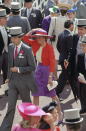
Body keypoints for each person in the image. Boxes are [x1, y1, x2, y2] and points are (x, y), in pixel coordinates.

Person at [0, 27, 37, 131]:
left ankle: (29, 126)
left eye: (15, 38)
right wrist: (7, 77)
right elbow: (9, 65)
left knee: (26, 106)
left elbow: (33, 67)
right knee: (10, 106)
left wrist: (19, 69)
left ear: (20, 37)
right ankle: (5, 128)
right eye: (11, 38)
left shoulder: (27, 49)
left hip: (25, 83)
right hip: (12, 82)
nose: (13, 40)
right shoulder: (11, 47)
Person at [22, 28, 61, 108]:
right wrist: (33, 30)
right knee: (35, 93)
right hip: (38, 70)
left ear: (45, 38)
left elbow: (52, 63)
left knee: (52, 94)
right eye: (37, 37)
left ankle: (59, 113)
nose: (38, 39)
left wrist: (50, 76)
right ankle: (36, 114)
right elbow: (25, 38)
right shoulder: (35, 44)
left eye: (40, 37)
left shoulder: (49, 47)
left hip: (47, 71)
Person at [56, 20, 79, 100]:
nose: (73, 27)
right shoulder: (69, 35)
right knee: (64, 77)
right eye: (73, 25)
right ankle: (56, 92)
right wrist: (67, 59)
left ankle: (77, 94)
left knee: (69, 77)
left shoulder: (60, 34)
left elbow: (58, 47)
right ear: (71, 25)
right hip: (67, 61)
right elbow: (70, 50)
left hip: (63, 59)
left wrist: (62, 55)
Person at [0, 9, 10, 85]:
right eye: (5, 18)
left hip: (6, 53)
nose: (6, 20)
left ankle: (5, 89)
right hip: (0, 53)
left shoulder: (6, 28)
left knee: (6, 72)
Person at [77, 34, 86, 114]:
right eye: (82, 45)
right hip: (82, 79)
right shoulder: (80, 56)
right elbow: (78, 69)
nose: (83, 48)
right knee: (82, 94)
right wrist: (79, 76)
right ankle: (83, 107)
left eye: (84, 46)